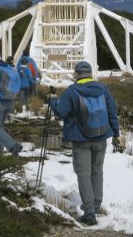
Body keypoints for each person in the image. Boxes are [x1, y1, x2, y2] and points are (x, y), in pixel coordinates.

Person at [49, 61, 120, 226]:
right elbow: (112, 112)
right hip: (101, 136)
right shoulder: (103, 89)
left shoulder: (72, 91)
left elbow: (61, 112)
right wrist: (116, 133)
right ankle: (96, 205)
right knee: (97, 171)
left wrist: (52, 101)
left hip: (80, 139)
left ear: (76, 74)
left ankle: (89, 211)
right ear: (90, 74)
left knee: (83, 173)